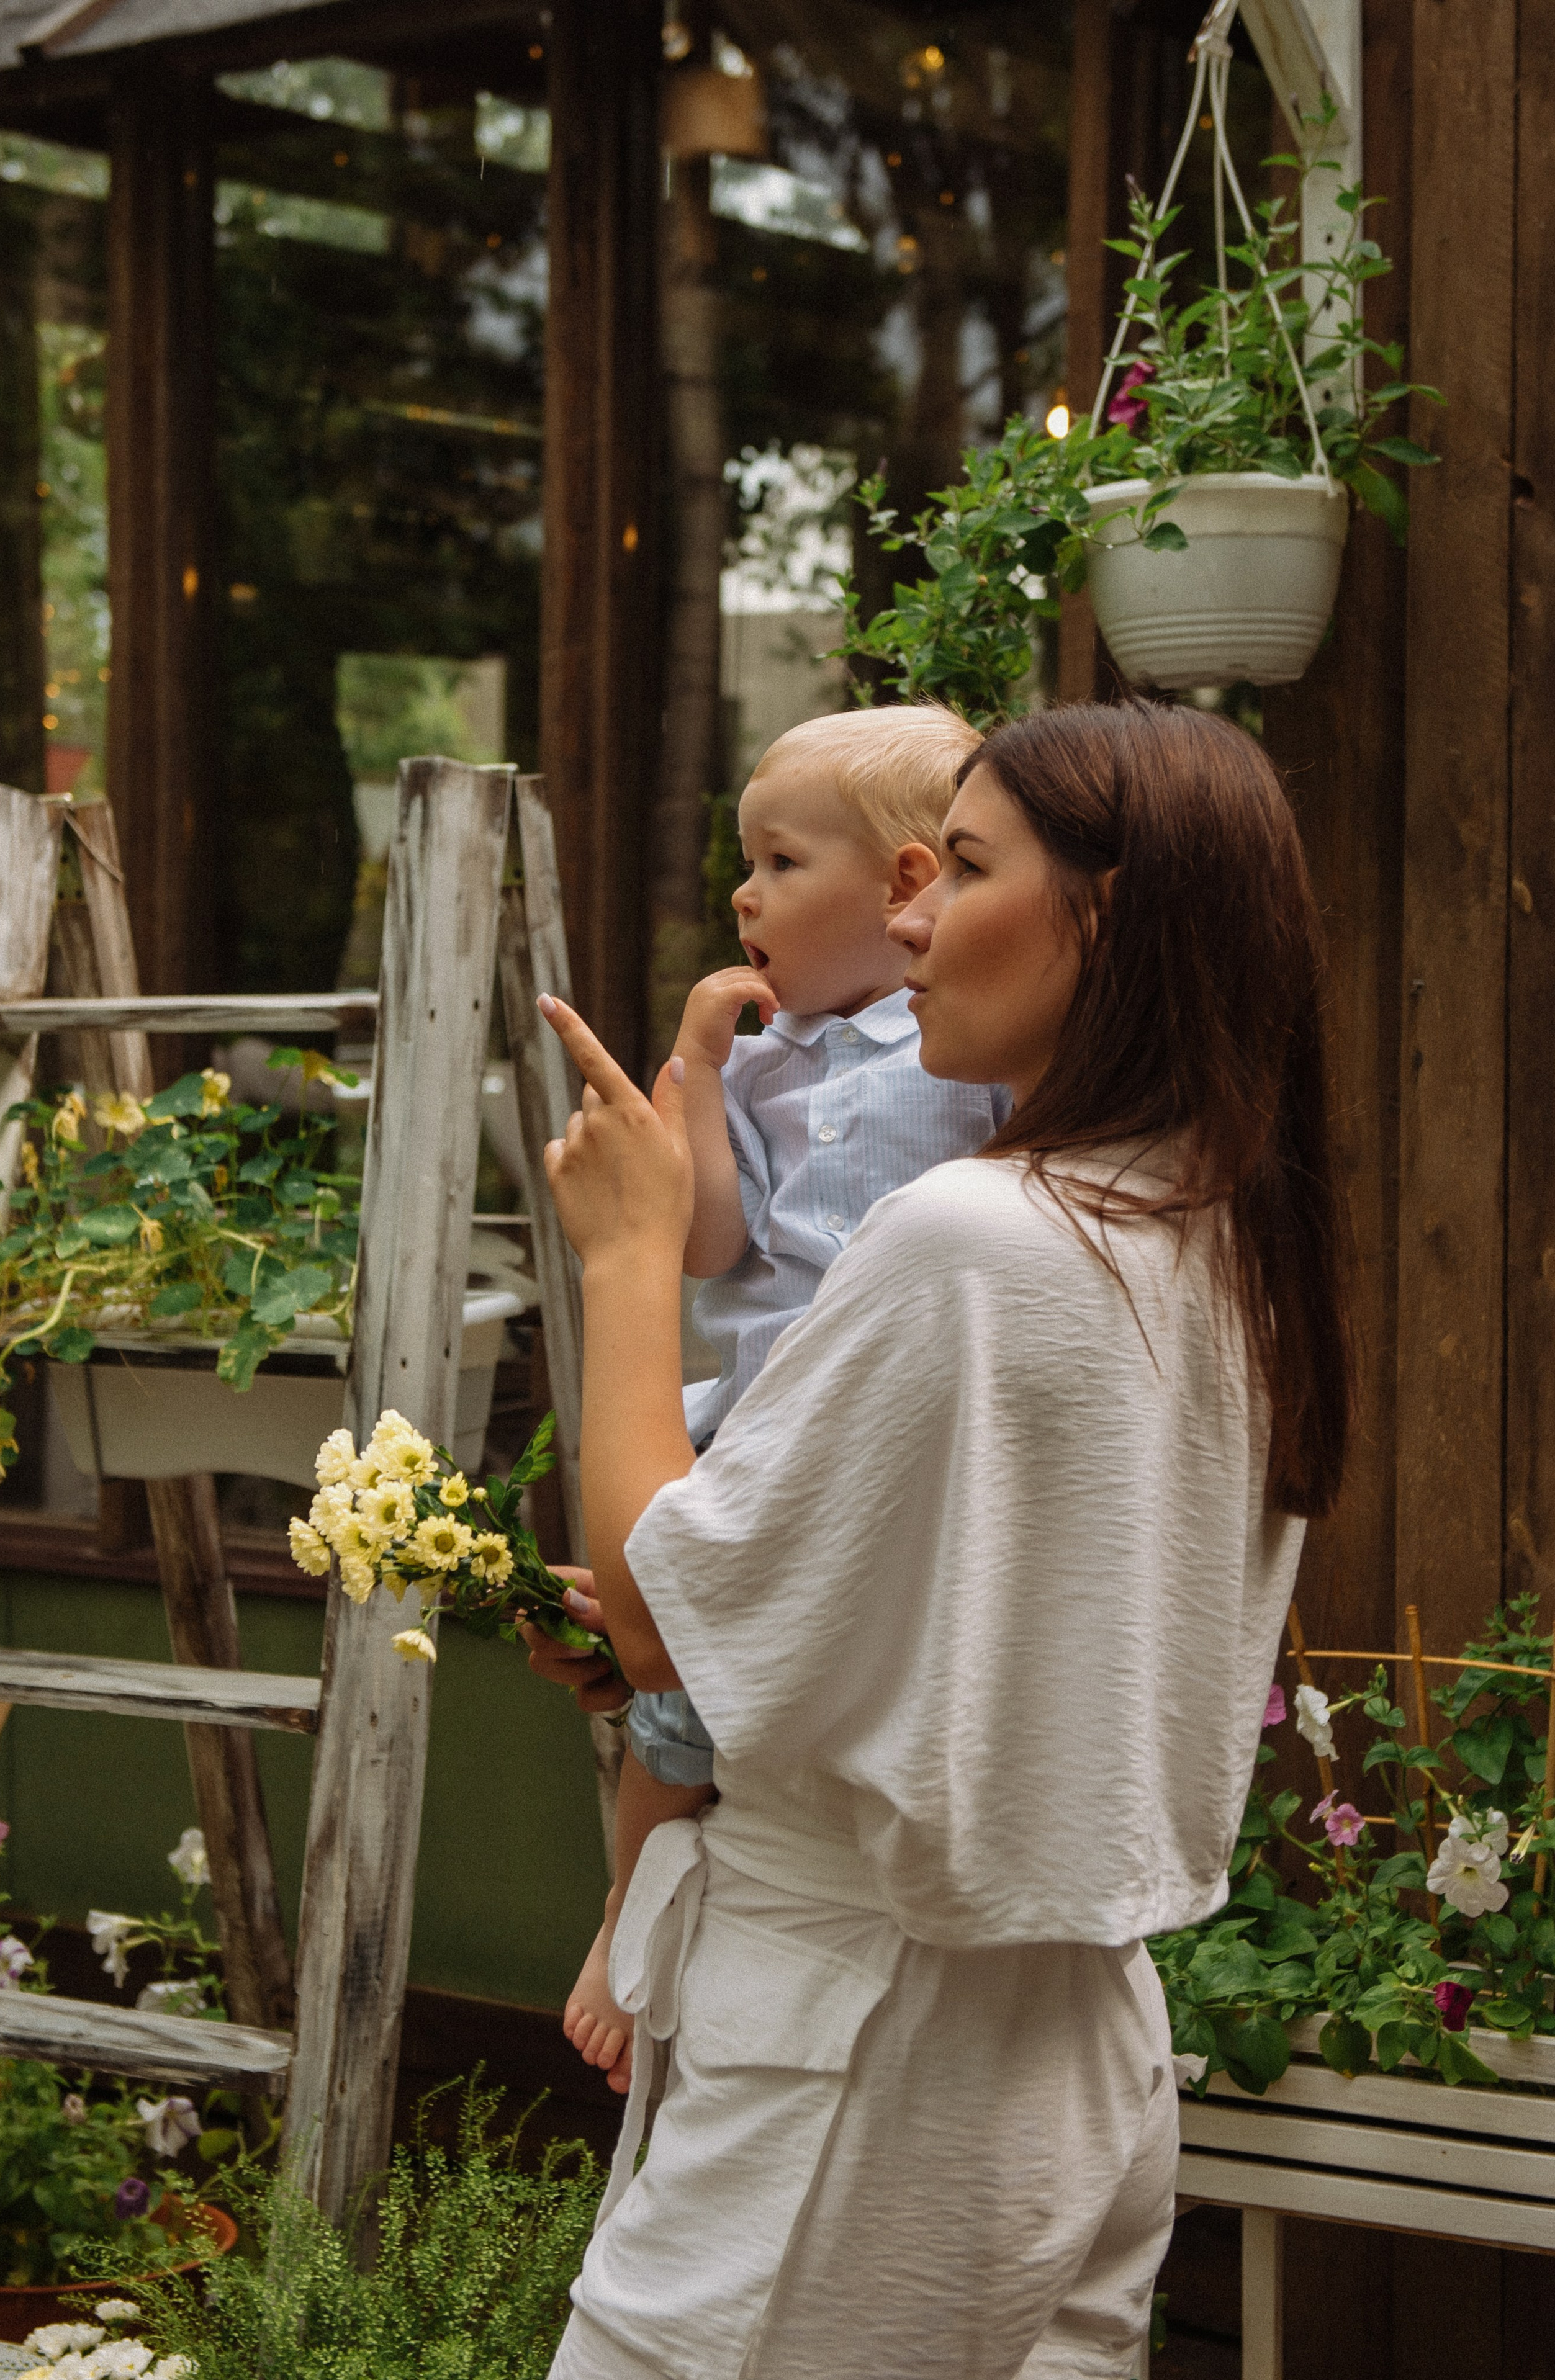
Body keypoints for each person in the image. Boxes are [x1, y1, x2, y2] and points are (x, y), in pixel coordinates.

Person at [528, 699, 1351, 2380]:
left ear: (1103, 917)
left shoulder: (975, 1239)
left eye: (963, 869)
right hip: (1078, 2054)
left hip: (856, 2049)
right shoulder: (1215, 1234)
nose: (908, 917)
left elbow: (658, 1619)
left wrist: (623, 1252)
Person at [563, 704, 1011, 2093]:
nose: (743, 897)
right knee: (659, 1689)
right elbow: (706, 1241)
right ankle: (622, 1919)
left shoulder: (964, 1054)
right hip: (755, 1406)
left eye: (776, 862)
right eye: (741, 865)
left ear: (903, 884)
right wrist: (697, 1071)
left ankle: (645, 1904)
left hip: (872, 1426)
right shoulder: (757, 1060)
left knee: (702, 1675)